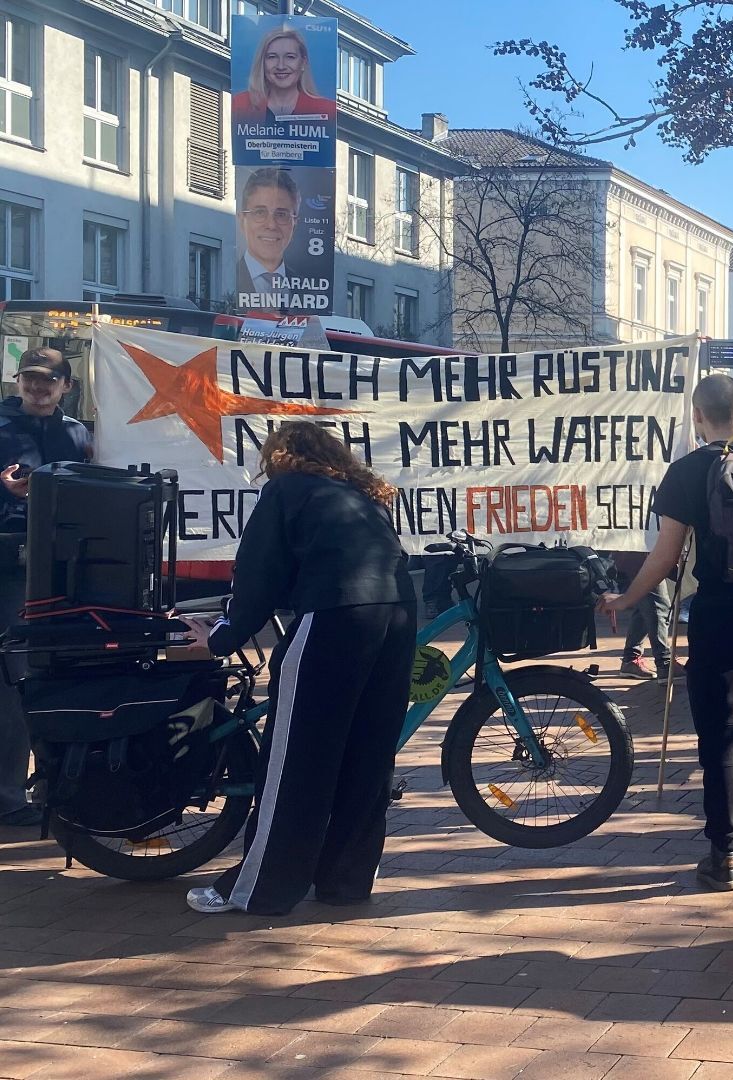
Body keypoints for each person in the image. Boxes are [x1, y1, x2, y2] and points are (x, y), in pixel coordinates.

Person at [180, 422, 415, 914]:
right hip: (398, 615)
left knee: (297, 758)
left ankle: (260, 890)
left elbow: (258, 575)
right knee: (368, 755)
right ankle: (345, 882)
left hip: (334, 618)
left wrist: (221, 637)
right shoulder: (362, 493)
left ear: (279, 456)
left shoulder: (286, 490)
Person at [602, 375, 733, 891]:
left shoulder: (688, 471)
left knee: (722, 734)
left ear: (697, 417)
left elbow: (666, 555)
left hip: (721, 611)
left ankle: (725, 855)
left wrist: (626, 599)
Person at [0, 349, 93, 829]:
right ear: (17, 381)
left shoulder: (78, 434)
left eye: (48, 380)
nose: (37, 387)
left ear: (65, 386)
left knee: (56, 676)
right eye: (29, 378)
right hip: (10, 569)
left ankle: (55, 784)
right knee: (14, 680)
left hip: (62, 570)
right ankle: (8, 796)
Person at [230, 24, 337, 123]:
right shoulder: (241, 104)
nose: (281, 66)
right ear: (262, 62)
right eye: (272, 57)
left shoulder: (325, 109)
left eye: (290, 57)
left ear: (303, 63)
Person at [234, 168, 302, 311]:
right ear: (242, 221)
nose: (271, 225)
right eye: (260, 212)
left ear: (295, 224)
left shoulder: (309, 290)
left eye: (281, 214)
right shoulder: (225, 281)